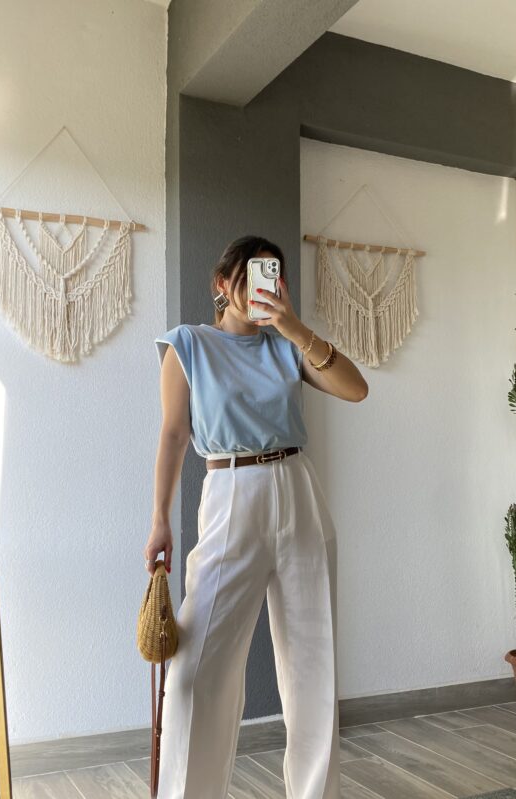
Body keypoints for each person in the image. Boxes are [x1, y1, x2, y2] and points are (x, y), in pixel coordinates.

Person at [145, 235, 368, 799]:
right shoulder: (188, 344)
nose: (261, 288)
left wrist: (293, 327)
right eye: (249, 276)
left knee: (313, 666)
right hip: (230, 491)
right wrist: (160, 519)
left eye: (273, 275)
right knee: (195, 671)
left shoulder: (288, 346)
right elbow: (173, 435)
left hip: (298, 489)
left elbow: (356, 389)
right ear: (223, 284)